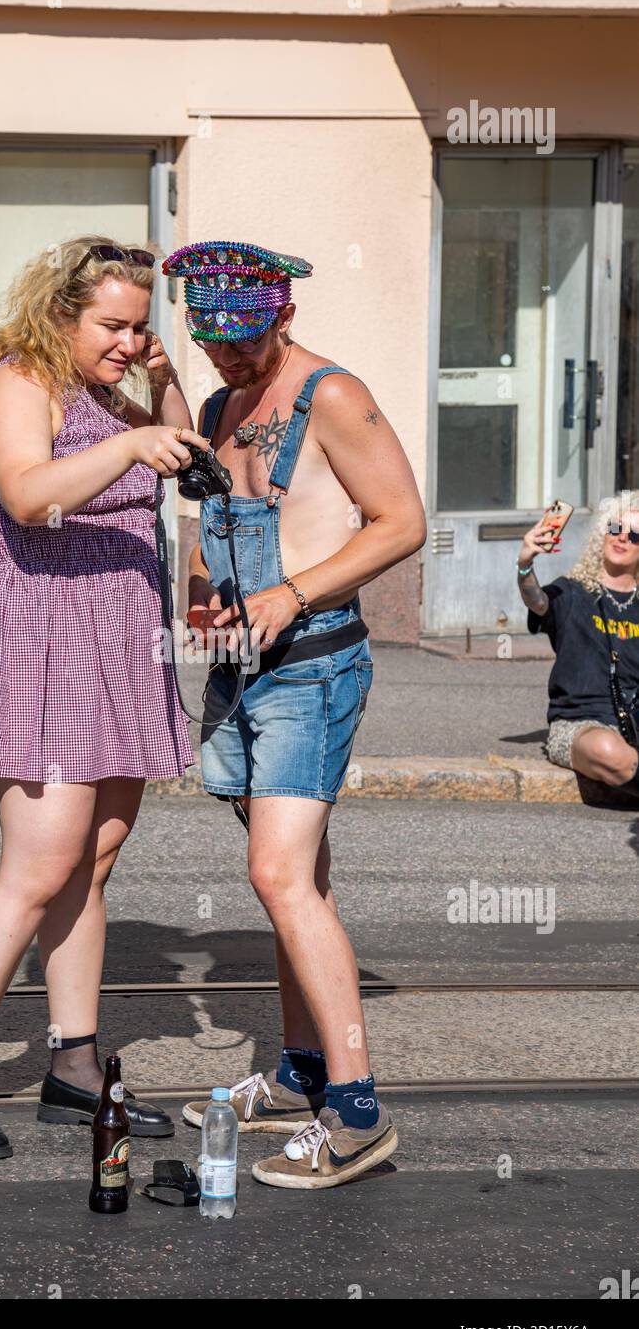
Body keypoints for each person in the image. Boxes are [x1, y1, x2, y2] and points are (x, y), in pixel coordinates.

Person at [0, 235, 210, 1158]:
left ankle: (76, 1067)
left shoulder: (109, 391)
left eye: (140, 326)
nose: (128, 340)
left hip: (119, 636)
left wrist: (159, 388)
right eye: (111, 325)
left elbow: (190, 456)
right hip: (43, 635)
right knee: (38, 868)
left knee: (92, 863)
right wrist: (128, 438)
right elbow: (30, 495)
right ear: (59, 314)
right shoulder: (17, 383)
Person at [166, 240, 427, 1191]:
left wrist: (296, 594)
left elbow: (402, 521)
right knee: (297, 882)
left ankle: (357, 1113)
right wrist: (201, 594)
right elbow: (205, 526)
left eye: (244, 341)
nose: (228, 360)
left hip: (312, 670)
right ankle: (300, 1071)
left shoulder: (336, 395)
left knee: (278, 875)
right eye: (212, 343)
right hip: (242, 673)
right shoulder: (216, 404)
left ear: (281, 316)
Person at [518, 493, 639, 796]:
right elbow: (538, 601)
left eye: (634, 535)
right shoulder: (571, 592)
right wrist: (525, 563)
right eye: (615, 529)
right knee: (607, 748)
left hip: (635, 723)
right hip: (580, 725)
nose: (621, 538)